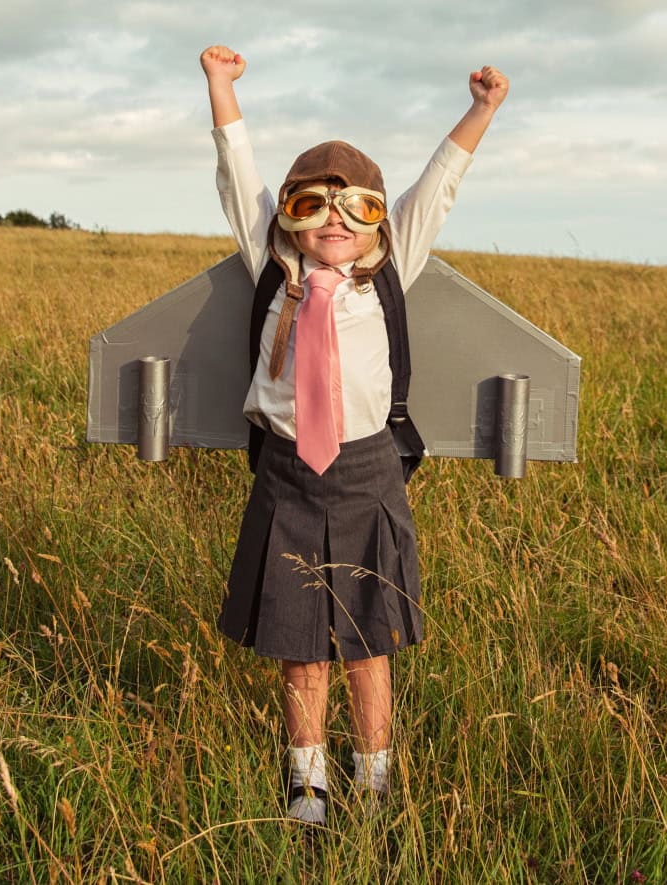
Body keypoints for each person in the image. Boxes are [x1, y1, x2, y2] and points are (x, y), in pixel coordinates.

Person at [198, 43, 509, 827]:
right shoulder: (270, 262)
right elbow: (237, 173)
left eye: (355, 210)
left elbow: (439, 186)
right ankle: (308, 787)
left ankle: (374, 778)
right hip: (287, 478)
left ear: (375, 217)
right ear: (289, 215)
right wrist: (220, 86)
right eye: (312, 208)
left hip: (370, 470)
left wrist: (481, 109)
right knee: (301, 641)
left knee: (370, 640)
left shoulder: (393, 261)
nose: (333, 224)